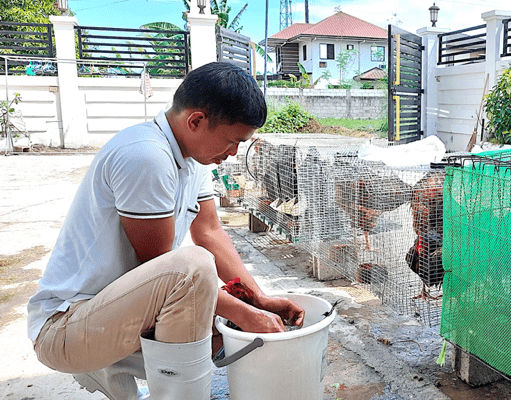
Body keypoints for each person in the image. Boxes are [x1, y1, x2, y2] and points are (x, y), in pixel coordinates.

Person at [26, 62, 305, 400]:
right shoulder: (146, 155)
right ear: (196, 121)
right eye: (231, 142)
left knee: (226, 325)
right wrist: (248, 315)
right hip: (65, 328)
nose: (233, 153)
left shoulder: (192, 158)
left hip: (108, 312)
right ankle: (129, 374)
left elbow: (210, 231)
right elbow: (169, 269)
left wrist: (257, 300)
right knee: (196, 270)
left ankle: (118, 367)